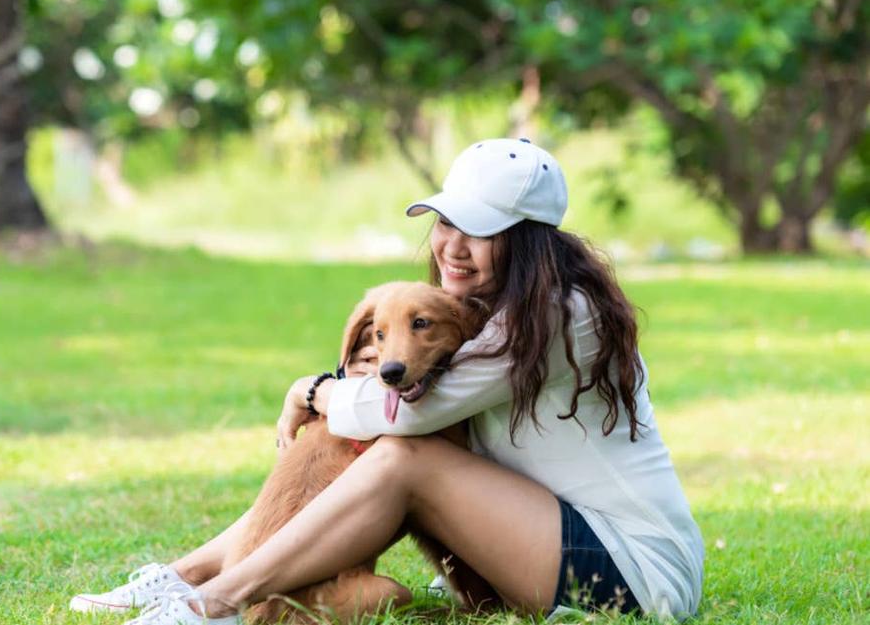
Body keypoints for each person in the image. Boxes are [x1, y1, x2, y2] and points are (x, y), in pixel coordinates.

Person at [70, 138, 704, 621]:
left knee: (405, 458)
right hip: (550, 539)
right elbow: (379, 409)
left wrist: (311, 392)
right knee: (370, 457)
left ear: (527, 242)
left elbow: (404, 417)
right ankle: (182, 578)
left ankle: (216, 602)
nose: (453, 245)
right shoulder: (475, 319)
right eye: (447, 222)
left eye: (479, 230)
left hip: (634, 574)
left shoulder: (561, 314)